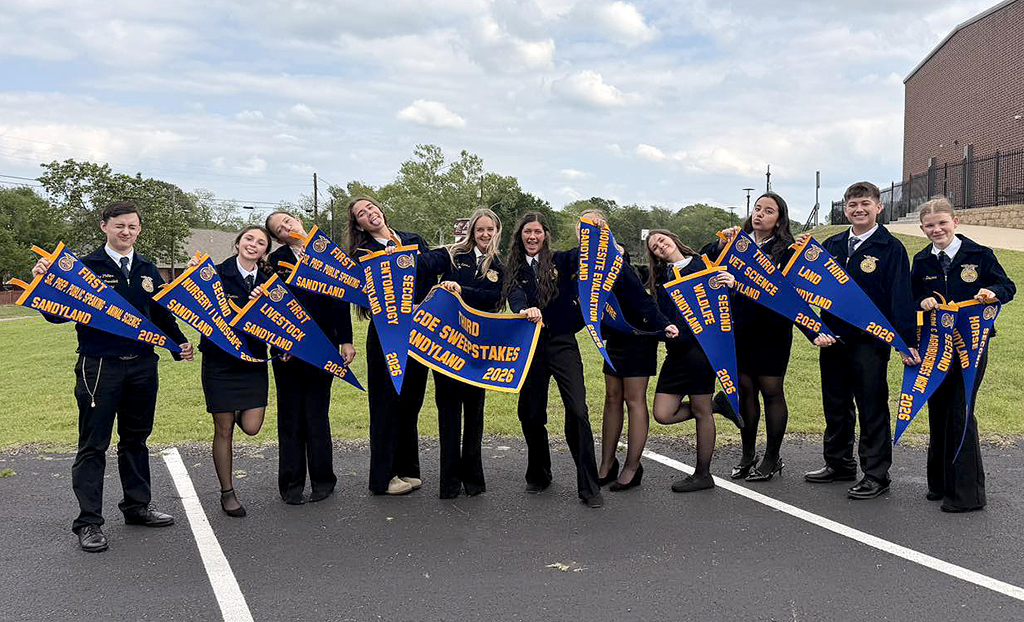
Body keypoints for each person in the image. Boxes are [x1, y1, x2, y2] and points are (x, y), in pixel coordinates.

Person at [30, 201, 193, 553]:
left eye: (132, 226)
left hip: (143, 365)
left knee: (136, 439)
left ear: (139, 229)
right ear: (104, 226)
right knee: (94, 444)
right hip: (100, 366)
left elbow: (160, 314)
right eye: (120, 226)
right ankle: (88, 522)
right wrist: (44, 282)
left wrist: (178, 342)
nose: (126, 232)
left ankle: (137, 506)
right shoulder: (85, 268)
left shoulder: (147, 268)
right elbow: (55, 314)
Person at [504, 212, 673, 508]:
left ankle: (589, 486)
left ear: (546, 235)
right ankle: (539, 473)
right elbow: (515, 295)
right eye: (527, 232)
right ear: (520, 235)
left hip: (562, 344)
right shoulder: (514, 267)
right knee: (530, 414)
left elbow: (592, 253)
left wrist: (599, 232)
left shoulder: (563, 260)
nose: (532, 237)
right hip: (531, 346)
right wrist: (522, 310)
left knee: (578, 411)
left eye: (538, 232)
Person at [803, 181, 920, 500]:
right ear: (845, 209)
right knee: (835, 403)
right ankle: (839, 463)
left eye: (865, 204)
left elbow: (900, 295)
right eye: (853, 205)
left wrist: (905, 340)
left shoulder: (890, 247)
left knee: (871, 405)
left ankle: (876, 474)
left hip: (870, 340)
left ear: (878, 207)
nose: (859, 209)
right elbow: (810, 283)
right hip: (834, 336)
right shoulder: (832, 244)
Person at [706, 193, 834, 482]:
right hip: (739, 327)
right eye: (757, 208)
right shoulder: (736, 243)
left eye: (768, 211)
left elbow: (792, 296)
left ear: (779, 220)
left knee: (771, 391)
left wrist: (814, 331)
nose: (760, 214)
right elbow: (706, 263)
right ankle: (747, 454)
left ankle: (772, 457)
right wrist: (720, 245)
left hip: (772, 329)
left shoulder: (786, 250)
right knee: (745, 391)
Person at [911, 197, 1015, 512]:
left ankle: (966, 495)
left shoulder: (979, 255)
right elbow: (912, 295)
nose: (937, 229)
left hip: (972, 345)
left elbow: (1007, 286)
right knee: (938, 410)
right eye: (930, 225)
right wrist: (923, 301)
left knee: (960, 411)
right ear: (922, 228)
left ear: (955, 222)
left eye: (942, 223)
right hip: (935, 345)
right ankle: (940, 483)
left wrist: (992, 293)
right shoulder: (922, 260)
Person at [346, 197, 434, 496]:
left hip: (419, 331)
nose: (370, 214)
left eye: (371, 207)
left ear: (380, 210)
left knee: (411, 402)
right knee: (386, 404)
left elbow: (432, 271)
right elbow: (362, 294)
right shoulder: (362, 254)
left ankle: (408, 469)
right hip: (386, 334)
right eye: (362, 214)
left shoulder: (412, 239)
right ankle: (383, 477)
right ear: (359, 225)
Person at [266, 210, 354, 504]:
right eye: (279, 229)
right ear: (279, 239)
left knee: (317, 415)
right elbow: (270, 307)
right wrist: (279, 343)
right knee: (290, 417)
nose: (286, 228)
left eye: (287, 221)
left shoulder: (326, 252)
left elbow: (340, 299)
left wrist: (345, 340)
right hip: (287, 349)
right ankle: (291, 485)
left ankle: (323, 481)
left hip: (323, 346)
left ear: (298, 221)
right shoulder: (275, 261)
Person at [417, 208, 504, 498]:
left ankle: (474, 481)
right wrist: (398, 253)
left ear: (497, 231)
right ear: (471, 232)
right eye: (480, 229)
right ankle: (450, 483)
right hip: (448, 347)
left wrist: (461, 290)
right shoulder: (453, 255)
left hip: (478, 350)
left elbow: (495, 298)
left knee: (475, 414)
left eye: (490, 229)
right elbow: (422, 265)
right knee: (449, 414)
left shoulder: (500, 265)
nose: (485, 234)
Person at [193, 226, 273, 517]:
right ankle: (227, 492)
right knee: (223, 428)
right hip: (220, 363)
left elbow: (279, 323)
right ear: (238, 243)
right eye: (249, 239)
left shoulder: (269, 282)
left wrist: (264, 303)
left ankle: (232, 410)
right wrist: (192, 276)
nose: (253, 244)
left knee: (252, 427)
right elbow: (194, 306)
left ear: (265, 252)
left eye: (261, 242)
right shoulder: (213, 274)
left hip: (252, 362)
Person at [645, 229, 733, 493]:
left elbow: (724, 303)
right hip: (675, 352)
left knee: (700, 411)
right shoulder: (661, 276)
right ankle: (718, 405)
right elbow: (658, 312)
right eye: (654, 247)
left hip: (701, 350)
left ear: (673, 239)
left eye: (662, 240)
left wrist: (731, 283)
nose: (660, 246)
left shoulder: (703, 264)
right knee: (662, 414)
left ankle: (703, 474)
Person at [592, 218, 674, 492]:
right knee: (611, 398)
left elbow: (643, 300)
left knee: (633, 400)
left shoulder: (621, 265)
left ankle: (632, 466)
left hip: (639, 338)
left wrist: (663, 325)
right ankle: (606, 463)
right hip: (616, 338)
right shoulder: (591, 267)